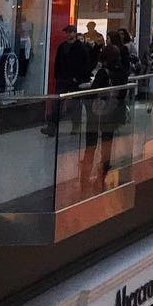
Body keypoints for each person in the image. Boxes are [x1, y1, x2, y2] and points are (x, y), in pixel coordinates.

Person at [80, 43, 129, 190]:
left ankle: (85, 177)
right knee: (107, 144)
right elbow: (122, 93)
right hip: (114, 112)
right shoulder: (123, 72)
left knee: (91, 144)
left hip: (98, 113)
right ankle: (103, 174)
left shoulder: (103, 72)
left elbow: (94, 91)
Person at [42, 24, 90, 135]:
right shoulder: (62, 46)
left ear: (74, 33)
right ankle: (52, 126)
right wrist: (57, 77)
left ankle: (76, 126)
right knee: (57, 103)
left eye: (70, 32)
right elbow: (58, 63)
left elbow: (85, 65)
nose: (68, 34)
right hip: (63, 79)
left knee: (75, 104)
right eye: (67, 32)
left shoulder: (81, 48)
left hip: (75, 80)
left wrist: (79, 79)